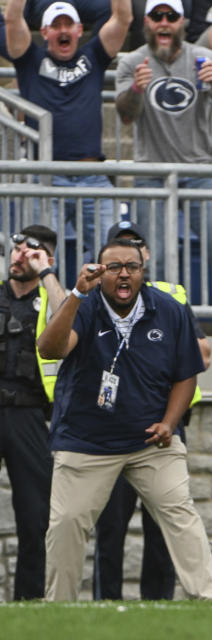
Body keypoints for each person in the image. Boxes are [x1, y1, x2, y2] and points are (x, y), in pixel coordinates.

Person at [37, 239, 212, 601]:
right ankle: (58, 606)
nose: (124, 274)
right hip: (86, 441)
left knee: (181, 514)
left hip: (150, 442)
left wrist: (170, 422)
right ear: (99, 272)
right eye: (114, 267)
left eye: (132, 267)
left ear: (143, 271)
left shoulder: (170, 309)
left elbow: (186, 374)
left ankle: (211, 599)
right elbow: (50, 348)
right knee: (65, 524)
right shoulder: (85, 306)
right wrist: (75, 293)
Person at [115, 1, 212, 336]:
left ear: (182, 22)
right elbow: (124, 114)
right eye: (156, 16)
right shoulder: (132, 61)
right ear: (146, 22)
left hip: (201, 170)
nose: (164, 23)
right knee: (158, 260)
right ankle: (160, 332)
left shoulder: (204, 59)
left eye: (171, 17)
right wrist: (137, 89)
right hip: (151, 173)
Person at [91, 220, 212, 601]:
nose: (129, 256)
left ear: (146, 255)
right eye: (120, 248)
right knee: (109, 526)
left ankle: (158, 605)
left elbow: (202, 354)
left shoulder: (168, 299)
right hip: (111, 430)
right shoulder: (93, 302)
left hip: (162, 428)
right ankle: (105, 605)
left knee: (165, 526)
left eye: (136, 247)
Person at [3, 0, 131, 262]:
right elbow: (13, 19)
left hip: (92, 176)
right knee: (39, 261)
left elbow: (123, 18)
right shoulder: (30, 59)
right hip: (47, 177)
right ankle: (44, 305)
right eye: (56, 25)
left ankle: (103, 305)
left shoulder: (93, 55)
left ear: (79, 30)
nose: (63, 30)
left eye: (68, 24)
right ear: (45, 31)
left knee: (113, 259)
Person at [0, 226, 64, 600]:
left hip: (30, 416)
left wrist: (47, 275)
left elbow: (75, 322)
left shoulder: (51, 298)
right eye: (16, 247)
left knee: (34, 515)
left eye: (31, 250)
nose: (20, 254)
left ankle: (30, 600)